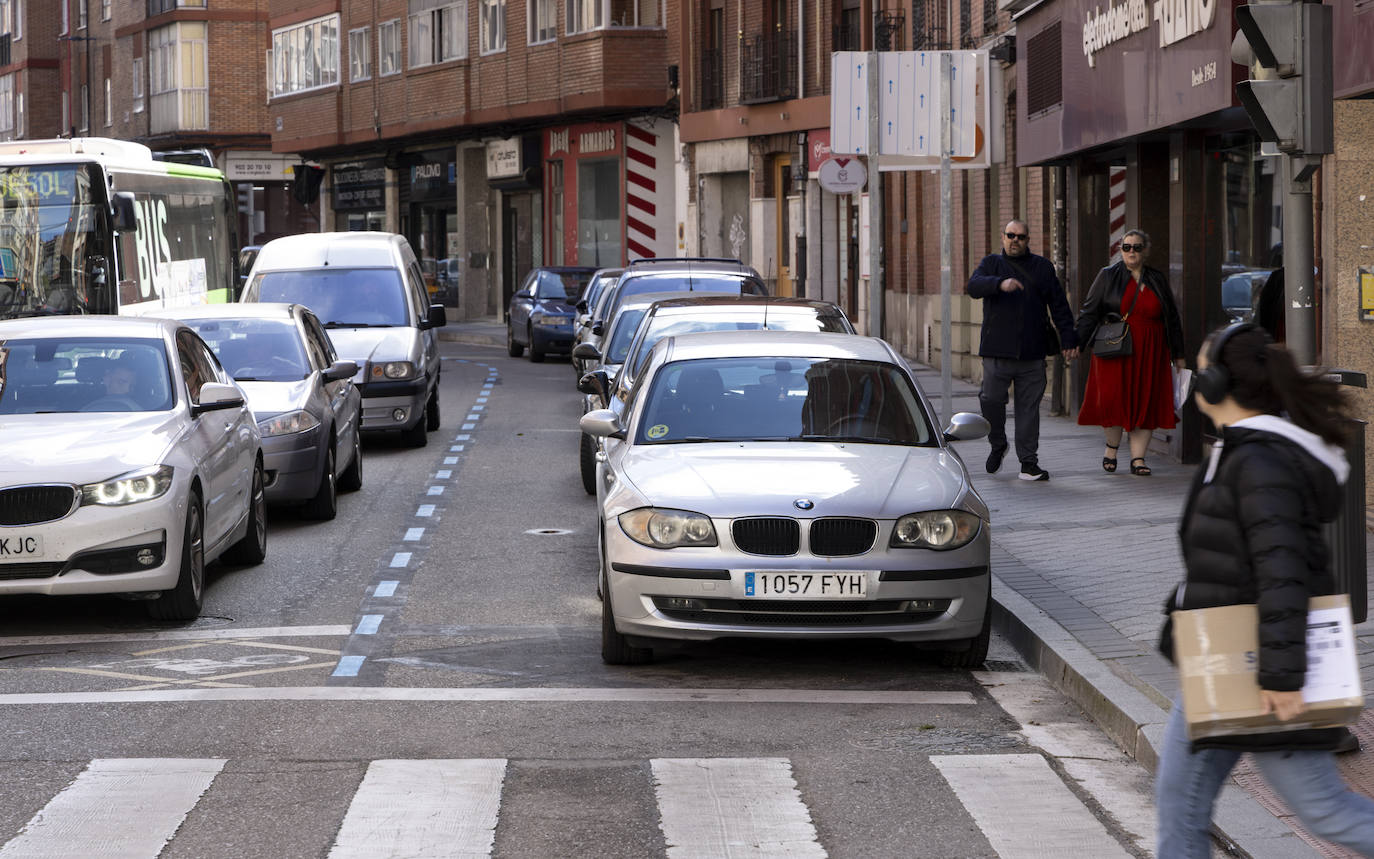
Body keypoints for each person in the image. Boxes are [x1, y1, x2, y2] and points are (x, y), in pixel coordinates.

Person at [1155, 322, 1374, 858]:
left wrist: (1281, 674)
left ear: (1215, 383)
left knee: (1329, 812)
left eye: (1199, 370)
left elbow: (1284, 570)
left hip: (1264, 671)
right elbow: (1219, 559)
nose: (1191, 381)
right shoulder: (1236, 451)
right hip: (1222, 661)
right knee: (1179, 803)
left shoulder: (1260, 462)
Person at [966, 219, 1080, 481]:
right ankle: (998, 443)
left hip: (1032, 354)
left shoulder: (1041, 268)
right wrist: (999, 284)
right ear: (1003, 237)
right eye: (1010, 235)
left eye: (1021, 237)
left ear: (1028, 240)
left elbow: (1059, 306)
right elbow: (973, 287)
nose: (1015, 240)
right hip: (997, 352)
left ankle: (1029, 463)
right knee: (991, 401)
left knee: (1028, 411)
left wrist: (1069, 339)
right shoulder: (991, 264)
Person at [1075, 229, 1184, 476]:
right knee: (1113, 400)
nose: (1131, 252)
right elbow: (1089, 312)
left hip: (1152, 350)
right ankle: (1111, 448)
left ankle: (1138, 459)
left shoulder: (1157, 278)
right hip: (1115, 349)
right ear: (1119, 250)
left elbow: (1172, 318)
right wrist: (1077, 344)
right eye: (1126, 247)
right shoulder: (1107, 276)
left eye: (1136, 247)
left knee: (1146, 402)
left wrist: (1178, 354)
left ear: (1145, 250)